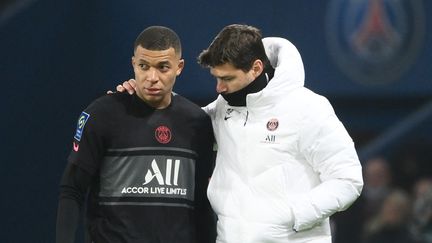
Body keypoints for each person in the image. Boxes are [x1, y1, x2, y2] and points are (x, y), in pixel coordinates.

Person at [117, 24, 364, 243]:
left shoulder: (308, 108)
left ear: (256, 68)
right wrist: (137, 98)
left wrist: (292, 216)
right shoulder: (224, 107)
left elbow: (348, 180)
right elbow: (180, 122)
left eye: (227, 78)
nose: (219, 87)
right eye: (216, 78)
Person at [56, 26, 216, 243]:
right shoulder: (101, 114)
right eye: (143, 66)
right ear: (133, 64)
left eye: (163, 67)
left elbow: (202, 202)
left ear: (179, 67)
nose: (152, 77)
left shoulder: (198, 123)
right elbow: (72, 189)